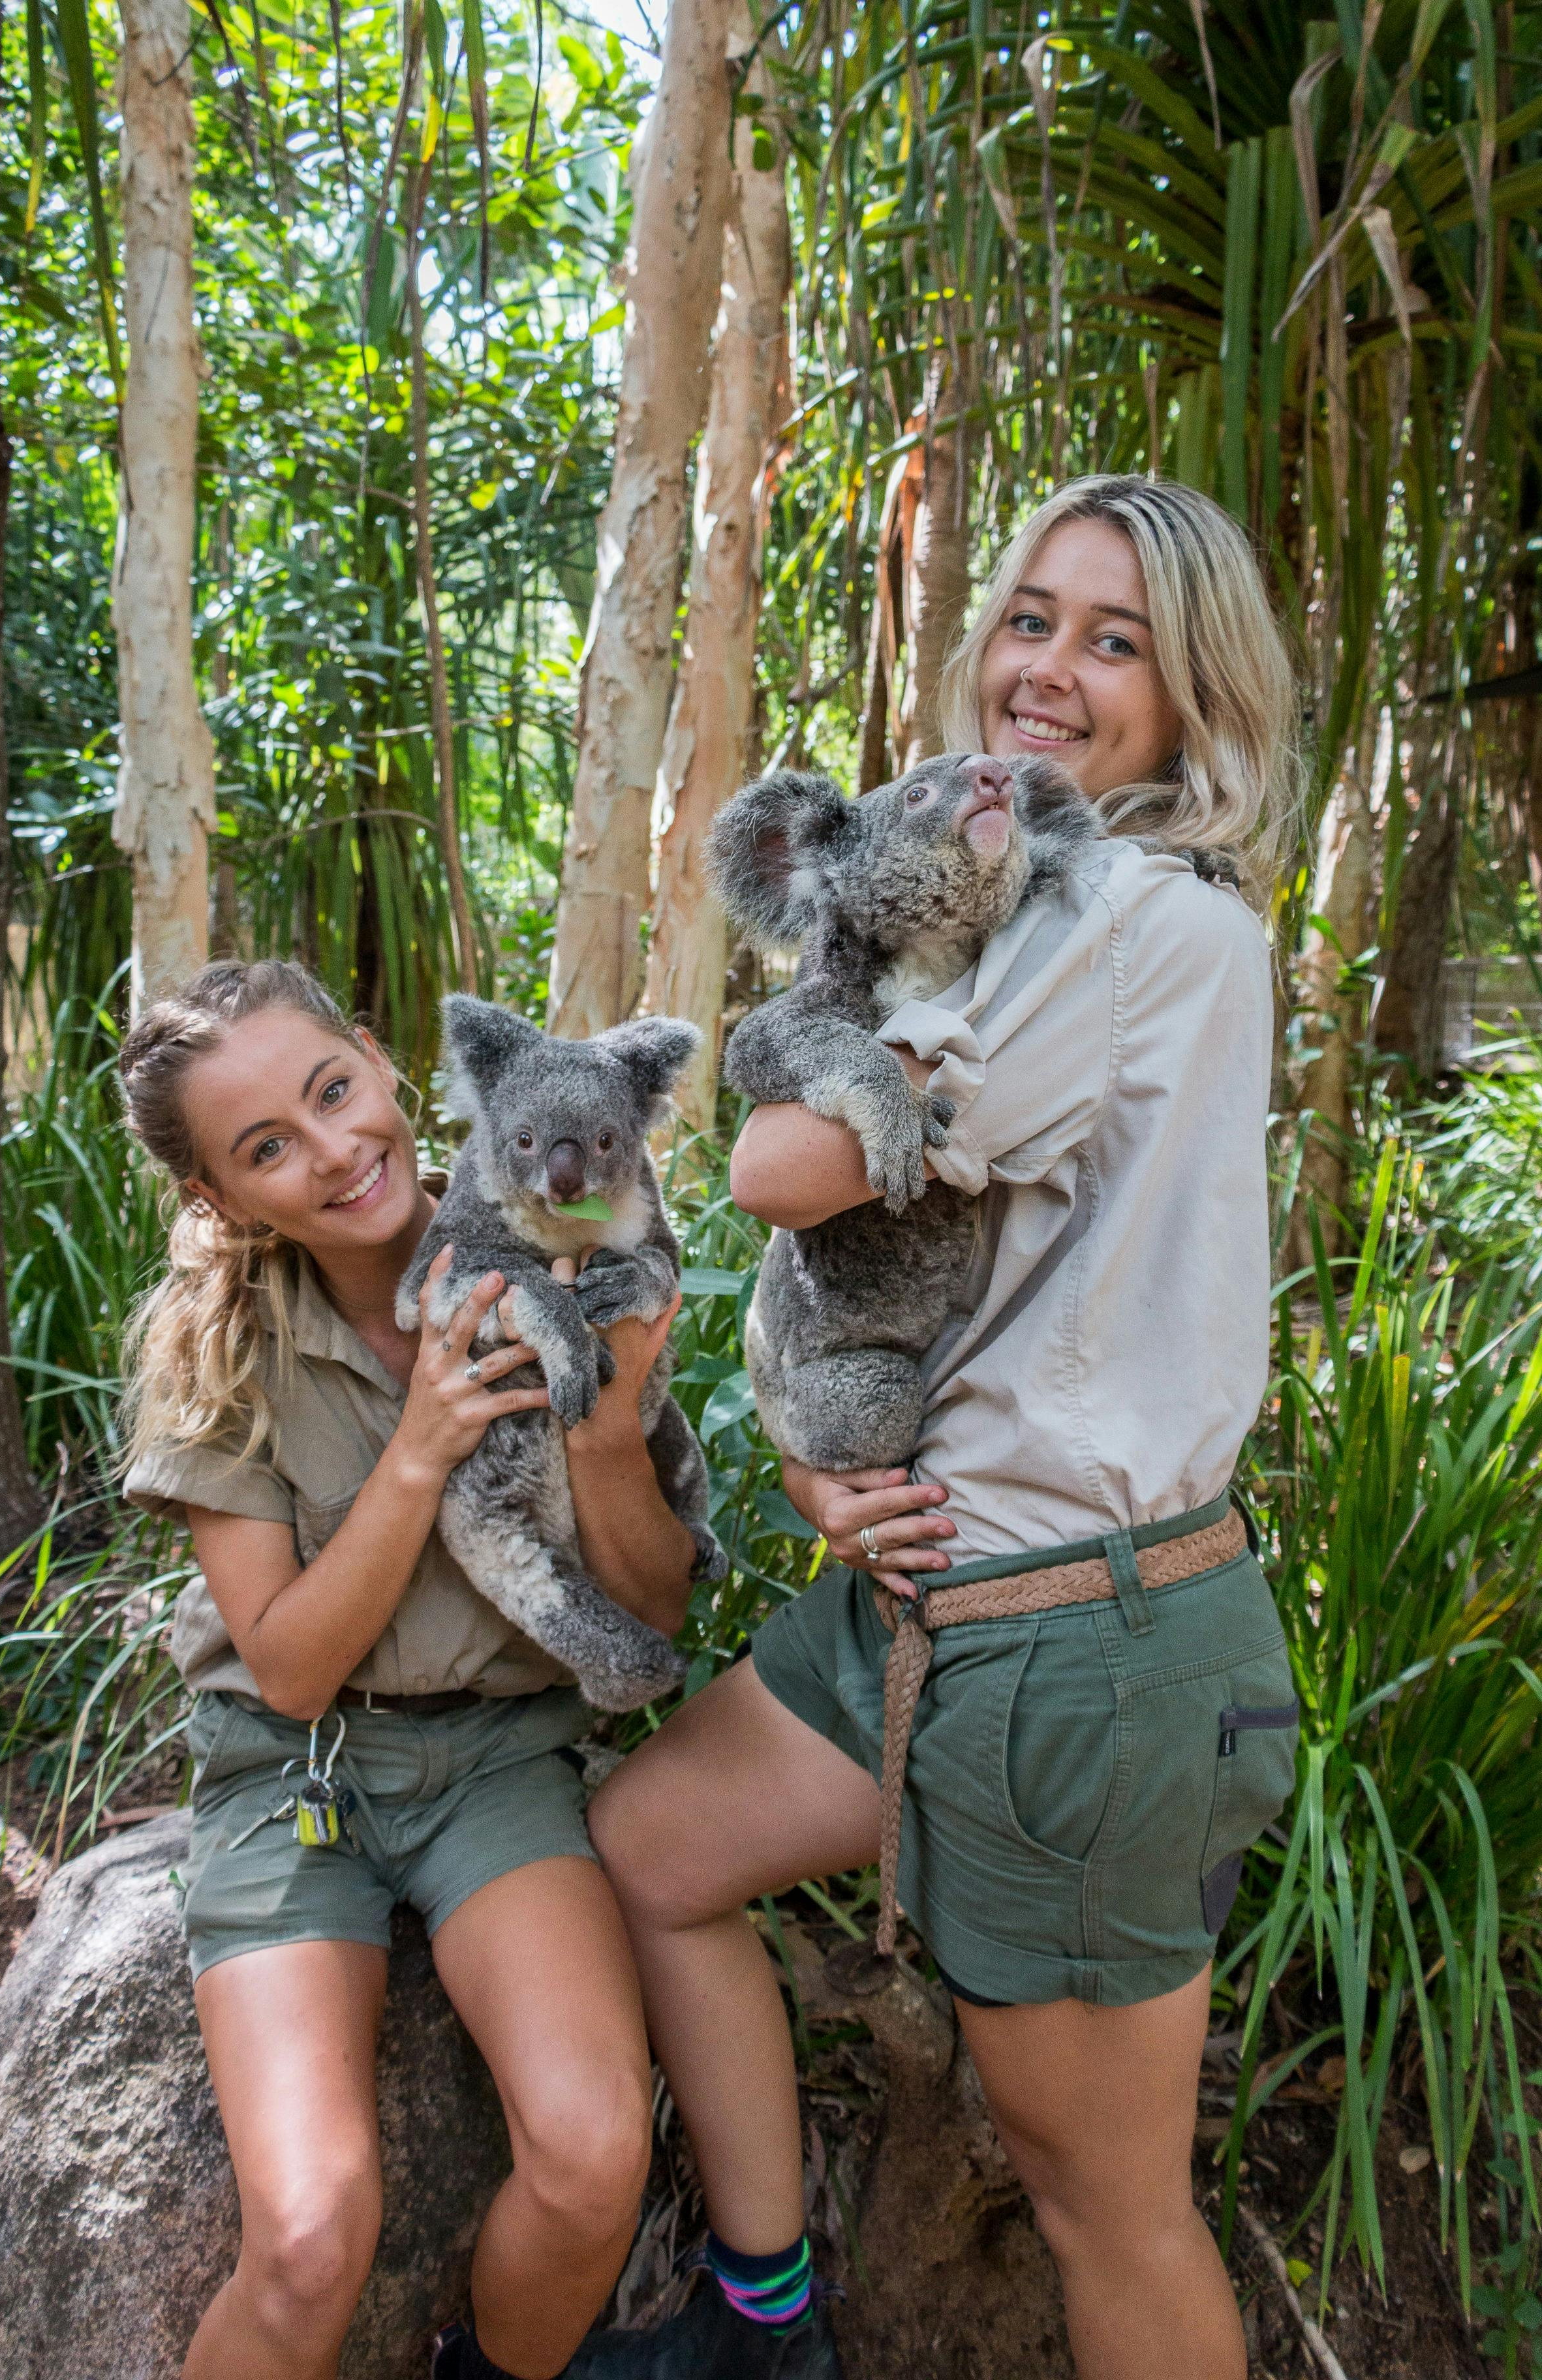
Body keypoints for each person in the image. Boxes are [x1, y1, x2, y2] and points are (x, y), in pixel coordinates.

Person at [580, 474, 1304, 2380]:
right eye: (1034, 618)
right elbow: (896, 1282)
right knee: (654, 1841)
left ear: (1197, 700)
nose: (1050, 671)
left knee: (1111, 2212)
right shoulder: (1032, 918)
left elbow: (781, 1167)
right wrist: (817, 1461)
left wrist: (829, 1046)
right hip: (936, 1591)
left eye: (1118, 641)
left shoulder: (1128, 917)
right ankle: (768, 2320)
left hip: (1082, 1643)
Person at [117, 960, 700, 2380]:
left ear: (382, 1066)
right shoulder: (218, 1355)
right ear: (218, 1197)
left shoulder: (573, 1240)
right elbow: (293, 1668)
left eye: (333, 1092)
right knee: (312, 2235)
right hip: (293, 1776)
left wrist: (609, 1433)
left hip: (499, 1765)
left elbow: (656, 1609)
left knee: (591, 2160)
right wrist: (425, 1445)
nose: (331, 1150)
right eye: (266, 1147)